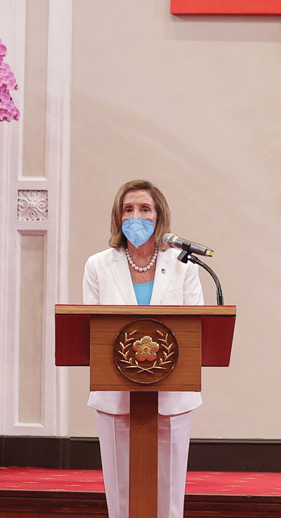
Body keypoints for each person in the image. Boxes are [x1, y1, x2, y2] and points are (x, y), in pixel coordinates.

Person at [83, 180, 204, 518]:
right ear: (118, 217)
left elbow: (197, 328)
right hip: (115, 394)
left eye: (144, 209)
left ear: (159, 216)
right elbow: (91, 329)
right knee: (121, 495)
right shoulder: (98, 265)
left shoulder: (184, 266)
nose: (136, 215)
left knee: (169, 495)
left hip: (172, 396)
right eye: (128, 209)